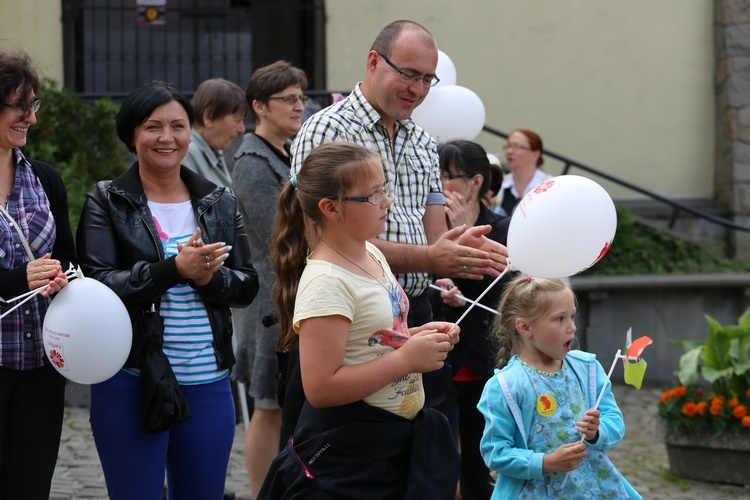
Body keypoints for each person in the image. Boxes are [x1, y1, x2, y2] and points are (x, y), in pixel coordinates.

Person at [291, 19, 508, 408]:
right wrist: (432, 257)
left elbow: (433, 236)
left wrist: (459, 248)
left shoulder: (423, 140)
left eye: (428, 79)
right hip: (349, 318)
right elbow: (323, 241)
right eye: (408, 74)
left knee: (420, 449)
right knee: (351, 448)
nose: (418, 89)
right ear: (374, 62)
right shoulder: (327, 128)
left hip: (412, 309)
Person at [76, 80, 259, 499]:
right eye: (152, 127)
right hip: (130, 377)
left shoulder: (219, 200)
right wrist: (174, 269)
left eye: (178, 126)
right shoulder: (107, 200)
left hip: (208, 380)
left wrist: (208, 278)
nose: (166, 138)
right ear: (132, 135)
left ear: (190, 132)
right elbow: (98, 285)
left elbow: (247, 284)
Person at [259, 142, 461, 498]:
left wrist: (415, 336)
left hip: (387, 445)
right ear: (330, 208)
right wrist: (406, 358)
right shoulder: (326, 282)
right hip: (352, 454)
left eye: (385, 188)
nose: (387, 201)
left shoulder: (370, 251)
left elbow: (368, 339)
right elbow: (321, 388)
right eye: (372, 195)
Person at [477, 276, 641, 499]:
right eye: (559, 319)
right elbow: (496, 453)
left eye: (572, 316)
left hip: (591, 488)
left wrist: (597, 431)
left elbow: (614, 419)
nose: (572, 327)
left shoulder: (587, 368)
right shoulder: (505, 386)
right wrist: (546, 462)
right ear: (525, 327)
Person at [0, 50, 75, 500]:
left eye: (34, 105)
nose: (30, 117)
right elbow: (17, 276)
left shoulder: (45, 179)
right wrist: (15, 280)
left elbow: (68, 257)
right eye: (17, 106)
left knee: (29, 486)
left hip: (41, 364)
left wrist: (62, 277)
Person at [231, 60, 308, 499]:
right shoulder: (251, 160)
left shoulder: (287, 152)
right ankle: (261, 492)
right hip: (268, 301)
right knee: (268, 405)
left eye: (301, 98)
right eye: (288, 99)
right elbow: (273, 234)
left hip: (289, 295)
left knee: (281, 404)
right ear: (260, 106)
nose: (299, 106)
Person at [433, 139, 516, 500]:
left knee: (480, 464)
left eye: (450, 176)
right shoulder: (431, 224)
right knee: (440, 458)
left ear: (476, 182)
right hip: (440, 358)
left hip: (484, 358)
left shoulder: (500, 228)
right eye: (437, 176)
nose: (442, 185)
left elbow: (504, 294)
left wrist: (467, 249)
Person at [182, 77, 248, 187]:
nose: (242, 129)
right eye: (237, 120)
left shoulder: (213, 151)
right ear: (208, 116)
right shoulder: (187, 153)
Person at [498, 128, 553, 216]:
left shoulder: (549, 187)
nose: (509, 151)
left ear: (535, 155)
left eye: (517, 146)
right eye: (508, 146)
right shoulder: (500, 184)